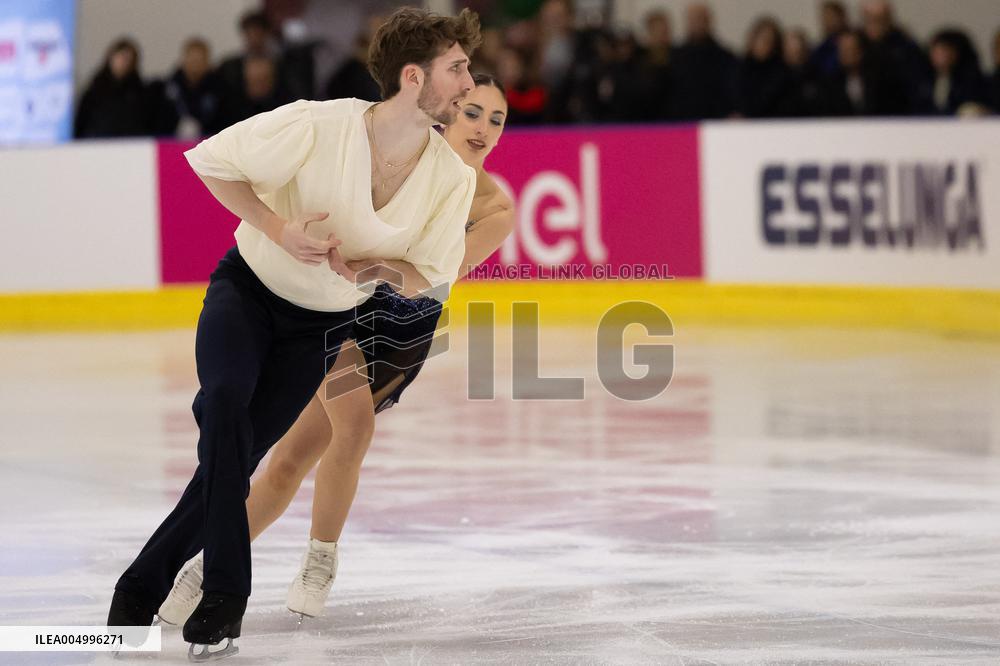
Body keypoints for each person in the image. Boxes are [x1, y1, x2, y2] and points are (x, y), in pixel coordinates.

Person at [106, 7, 482, 661]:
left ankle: (142, 582)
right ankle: (226, 596)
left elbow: (432, 274)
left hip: (321, 328)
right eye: (459, 69)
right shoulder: (319, 123)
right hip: (247, 293)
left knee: (237, 455)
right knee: (222, 407)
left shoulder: (451, 179)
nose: (471, 84)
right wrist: (280, 229)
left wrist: (381, 266)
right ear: (415, 78)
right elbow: (214, 163)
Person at [157, 73, 514, 625]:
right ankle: (320, 560)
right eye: (473, 113)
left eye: (497, 119)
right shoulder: (396, 162)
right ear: (447, 110)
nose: (484, 129)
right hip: (339, 306)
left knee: (292, 460)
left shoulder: (493, 208)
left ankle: (204, 567)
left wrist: (384, 265)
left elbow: (439, 270)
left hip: (405, 329)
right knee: (354, 426)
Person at [74, 38, 152, 138]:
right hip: (97, 144)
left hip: (129, 145)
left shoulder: (139, 93)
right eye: (121, 57)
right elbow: (81, 121)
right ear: (111, 57)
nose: (124, 63)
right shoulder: (95, 90)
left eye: (129, 59)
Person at [671, 3, 737, 120]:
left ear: (709, 21)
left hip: (715, 124)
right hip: (681, 124)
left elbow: (731, 92)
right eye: (692, 19)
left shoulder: (725, 57)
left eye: (700, 18)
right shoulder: (674, 56)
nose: (696, 23)